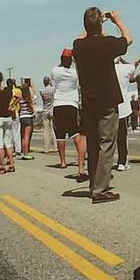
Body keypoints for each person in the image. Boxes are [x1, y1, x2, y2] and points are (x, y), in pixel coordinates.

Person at [73, 8, 132, 204]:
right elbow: (128, 39)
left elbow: (81, 38)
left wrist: (94, 25)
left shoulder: (78, 46)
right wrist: (117, 20)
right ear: (100, 24)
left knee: (92, 144)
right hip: (107, 100)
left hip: (89, 103)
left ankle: (93, 184)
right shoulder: (107, 44)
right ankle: (100, 189)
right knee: (107, 144)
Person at [51, 49, 88, 181]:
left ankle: (62, 161)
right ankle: (81, 162)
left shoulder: (55, 71)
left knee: (60, 135)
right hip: (72, 104)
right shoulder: (75, 73)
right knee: (75, 133)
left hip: (58, 104)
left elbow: (57, 70)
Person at [115, 57, 135, 171]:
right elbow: (132, 66)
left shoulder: (107, 69)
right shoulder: (125, 68)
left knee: (107, 137)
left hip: (109, 106)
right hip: (122, 107)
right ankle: (122, 162)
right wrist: (122, 59)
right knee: (122, 136)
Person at [40, 76, 58, 154]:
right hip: (52, 110)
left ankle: (46, 148)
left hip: (45, 110)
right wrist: (51, 83)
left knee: (45, 130)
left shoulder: (41, 91)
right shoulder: (53, 89)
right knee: (53, 129)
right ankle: (55, 147)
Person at [19, 82, 36, 160]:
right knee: (27, 137)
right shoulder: (28, 98)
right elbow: (31, 107)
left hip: (21, 117)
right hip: (28, 117)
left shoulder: (20, 98)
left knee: (22, 136)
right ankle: (26, 153)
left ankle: (22, 152)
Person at [6, 78, 22, 158]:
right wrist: (13, 105)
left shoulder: (6, 91)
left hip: (8, 112)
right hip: (14, 111)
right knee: (16, 132)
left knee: (9, 133)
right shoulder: (17, 90)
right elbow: (19, 97)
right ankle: (18, 150)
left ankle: (11, 149)